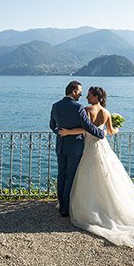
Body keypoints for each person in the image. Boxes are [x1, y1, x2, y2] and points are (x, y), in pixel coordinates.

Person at [58, 86, 134, 247]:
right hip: (102, 145)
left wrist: (68, 132)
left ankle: (86, 206)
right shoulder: (106, 112)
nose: (86, 97)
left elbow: (85, 128)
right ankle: (105, 206)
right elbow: (110, 131)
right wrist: (116, 128)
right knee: (107, 177)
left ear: (96, 97)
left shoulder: (87, 110)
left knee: (86, 176)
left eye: (89, 95)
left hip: (89, 146)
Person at [49, 81, 106, 217]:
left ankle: (61, 205)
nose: (81, 95)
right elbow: (87, 126)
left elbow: (52, 126)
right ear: (74, 91)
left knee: (61, 175)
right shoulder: (78, 107)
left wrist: (60, 132)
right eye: (79, 92)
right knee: (70, 177)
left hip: (61, 146)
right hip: (75, 147)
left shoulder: (55, 105)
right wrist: (100, 133)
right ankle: (66, 209)